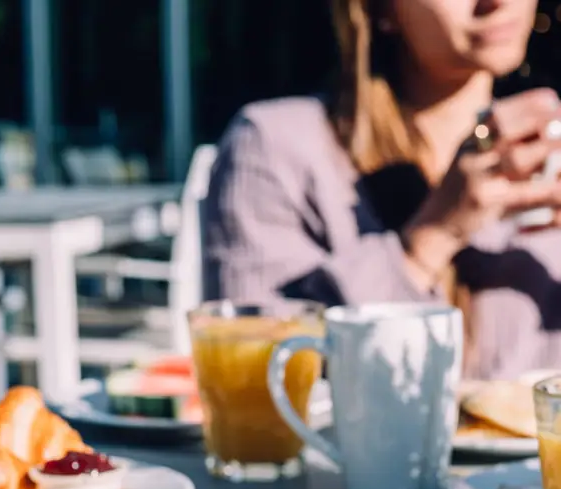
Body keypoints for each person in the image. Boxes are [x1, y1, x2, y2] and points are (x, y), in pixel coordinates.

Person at [204, 0, 561, 379]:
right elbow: (254, 381)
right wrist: (431, 238)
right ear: (379, 8)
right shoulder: (276, 148)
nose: (497, 2)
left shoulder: (549, 148)